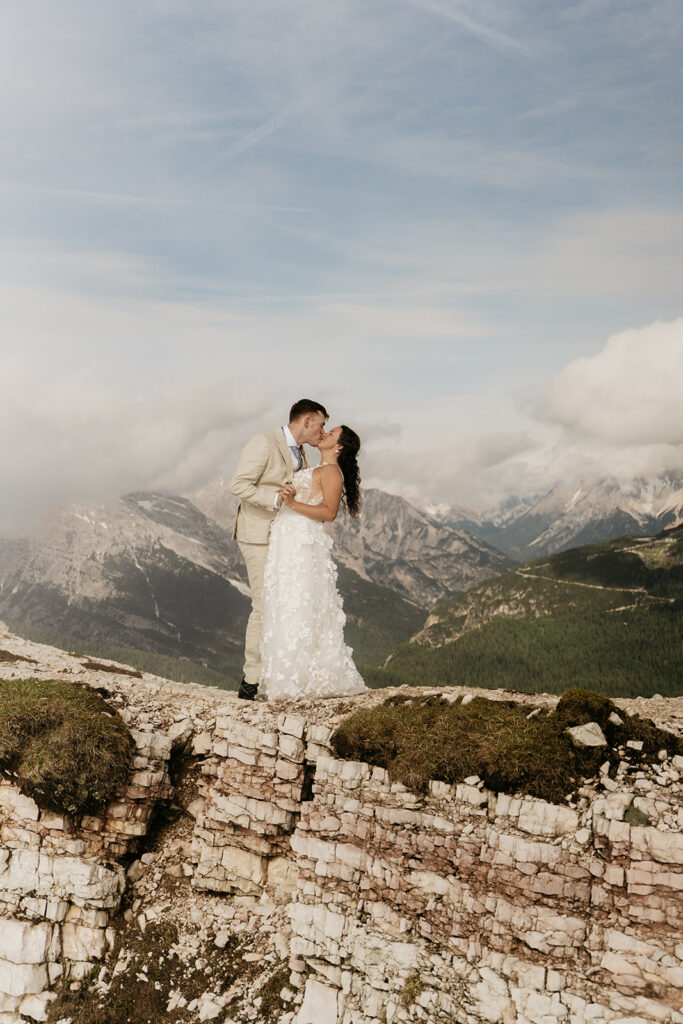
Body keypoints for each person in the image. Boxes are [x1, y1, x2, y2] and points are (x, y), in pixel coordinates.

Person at [259, 424, 368, 701]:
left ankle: (301, 678)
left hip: (303, 541)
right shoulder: (315, 467)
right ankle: (286, 675)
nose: (325, 434)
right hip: (288, 538)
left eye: (331, 434)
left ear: (339, 446)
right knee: (285, 600)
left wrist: (294, 505)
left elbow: (329, 512)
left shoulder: (332, 472)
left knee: (300, 601)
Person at [231, 399, 328, 700]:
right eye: (321, 424)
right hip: (258, 535)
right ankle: (251, 681)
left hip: (285, 539)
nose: (322, 432)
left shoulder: (302, 453)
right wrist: (274, 497)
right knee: (263, 605)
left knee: (283, 605)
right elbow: (238, 485)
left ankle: (275, 675)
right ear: (307, 420)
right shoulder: (263, 443)